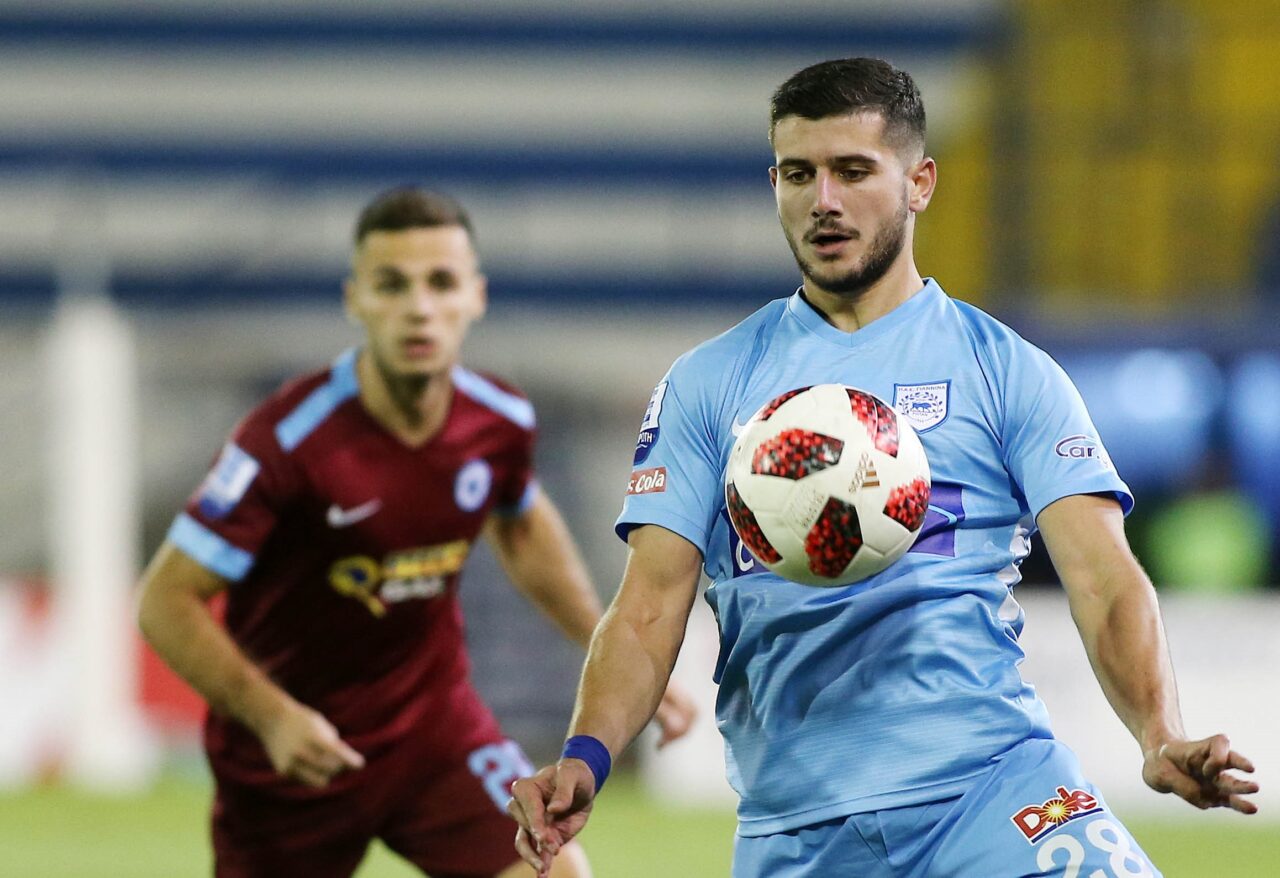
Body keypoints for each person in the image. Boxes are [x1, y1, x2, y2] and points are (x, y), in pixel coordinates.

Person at [509, 58, 1259, 878]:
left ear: (919, 183)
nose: (823, 200)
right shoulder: (708, 384)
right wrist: (587, 755)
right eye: (799, 174)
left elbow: (1105, 577)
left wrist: (1158, 732)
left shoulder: (1005, 369)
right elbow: (648, 605)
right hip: (798, 831)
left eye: (853, 171)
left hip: (995, 792)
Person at [136, 187, 696, 878]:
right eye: (393, 285)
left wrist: (611, 650)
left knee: (554, 872)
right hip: (293, 755)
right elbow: (163, 600)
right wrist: (273, 717)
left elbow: (523, 526)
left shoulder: (498, 420)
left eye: (441, 283)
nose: (419, 307)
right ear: (356, 299)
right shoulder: (285, 441)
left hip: (433, 734)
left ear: (475, 296)